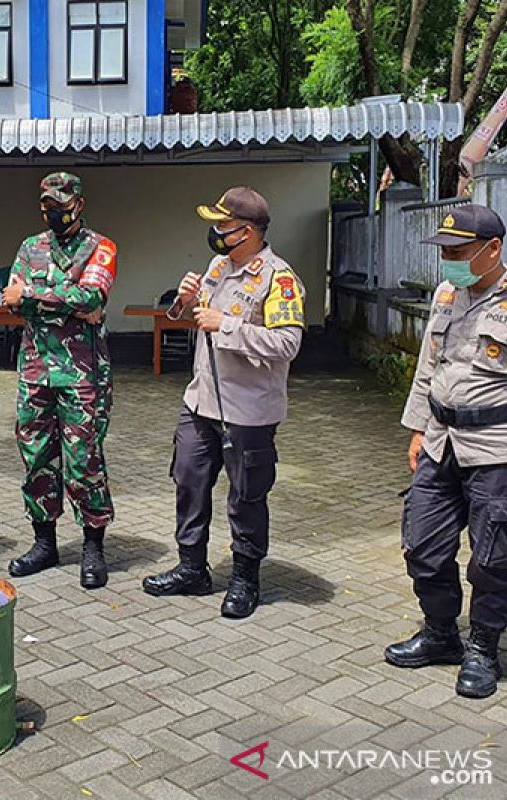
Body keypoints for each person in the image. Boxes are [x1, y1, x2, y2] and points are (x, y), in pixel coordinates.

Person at [386, 204, 507, 699]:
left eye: (458, 251)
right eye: (445, 251)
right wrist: (418, 429)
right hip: (441, 443)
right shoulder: (448, 294)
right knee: (422, 545)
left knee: (493, 559)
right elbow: (431, 365)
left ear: (493, 250)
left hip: (502, 451)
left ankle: (484, 649)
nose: (448, 260)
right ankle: (441, 634)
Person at [141, 187, 305, 620]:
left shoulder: (279, 278)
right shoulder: (218, 266)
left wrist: (226, 324)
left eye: (222, 226)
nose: (214, 233)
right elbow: (184, 319)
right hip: (201, 401)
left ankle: (245, 578)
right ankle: (192, 568)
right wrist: (184, 301)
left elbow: (289, 343)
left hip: (248, 411)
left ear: (245, 232)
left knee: (246, 497)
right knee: (188, 482)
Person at [1, 172, 117, 589]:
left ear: (79, 205)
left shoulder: (101, 248)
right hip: (35, 372)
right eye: (47, 206)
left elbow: (93, 299)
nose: (54, 212)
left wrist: (34, 296)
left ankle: (93, 546)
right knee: (36, 458)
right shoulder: (29, 248)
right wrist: (64, 302)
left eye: (62, 205)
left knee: (84, 460)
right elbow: (10, 303)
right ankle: (44, 543)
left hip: (83, 375)